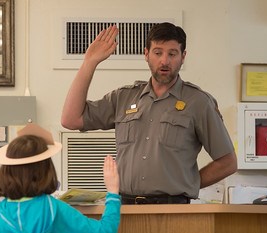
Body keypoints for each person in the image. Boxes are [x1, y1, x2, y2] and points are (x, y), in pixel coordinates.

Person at [61, 22, 237, 204]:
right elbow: (71, 119)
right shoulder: (124, 97)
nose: (165, 61)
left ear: (183, 57)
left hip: (173, 209)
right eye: (158, 52)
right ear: (146, 54)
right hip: (125, 208)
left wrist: (189, 183)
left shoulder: (198, 102)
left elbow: (228, 162)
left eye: (172, 53)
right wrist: (89, 62)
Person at [0, 123, 121, 233]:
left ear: (6, 170)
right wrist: (112, 193)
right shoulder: (55, 210)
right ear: (46, 170)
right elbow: (105, 232)